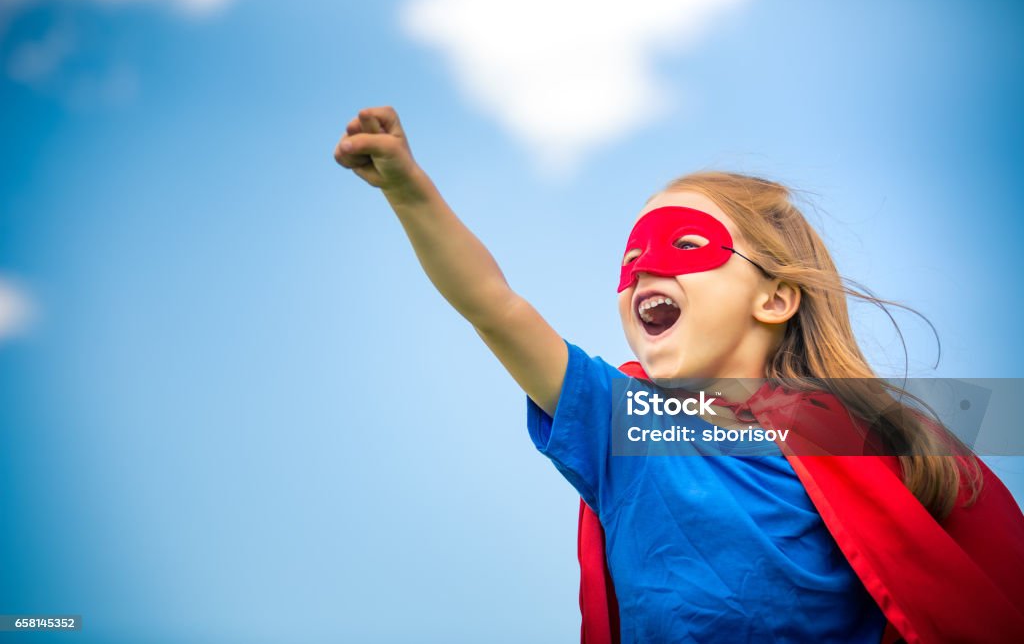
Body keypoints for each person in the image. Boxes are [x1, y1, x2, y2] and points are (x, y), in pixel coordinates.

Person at [333, 106, 1024, 643]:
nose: (643, 270)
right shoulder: (624, 417)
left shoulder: (871, 437)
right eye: (630, 260)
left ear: (776, 298)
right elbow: (495, 307)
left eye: (686, 245)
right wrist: (410, 191)